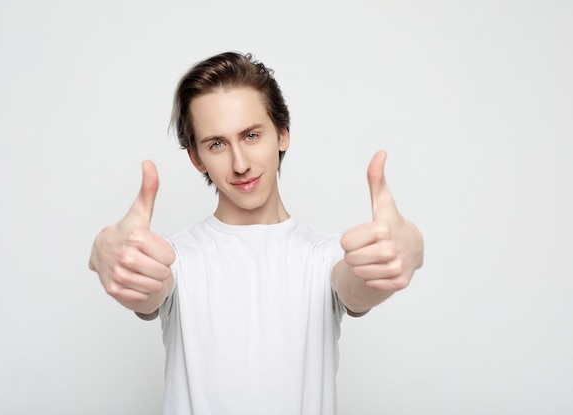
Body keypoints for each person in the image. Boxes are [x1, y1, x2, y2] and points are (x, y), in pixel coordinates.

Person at [88, 51, 424, 414]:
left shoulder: (326, 256)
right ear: (197, 159)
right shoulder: (174, 258)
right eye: (217, 144)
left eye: (250, 135)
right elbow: (148, 289)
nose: (240, 164)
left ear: (282, 134)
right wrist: (115, 261)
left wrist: (395, 258)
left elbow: (357, 286)